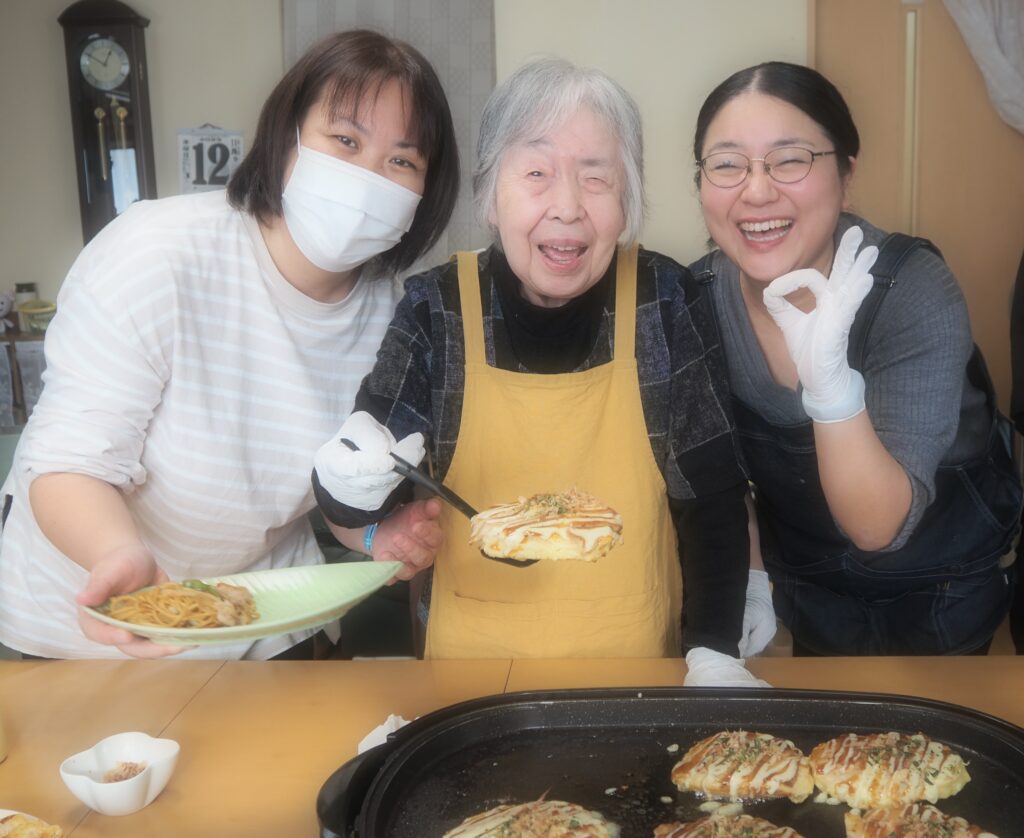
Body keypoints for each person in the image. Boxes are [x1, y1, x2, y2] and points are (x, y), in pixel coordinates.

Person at [0, 30, 460, 660]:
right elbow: (66, 462)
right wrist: (117, 555)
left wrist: (376, 533)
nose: (366, 178)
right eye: (345, 141)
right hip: (86, 621)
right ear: (286, 137)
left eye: (401, 162)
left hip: (264, 614)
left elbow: (335, 477)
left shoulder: (395, 316)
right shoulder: (156, 253)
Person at [312, 57, 769, 686]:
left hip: (636, 671)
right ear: (490, 197)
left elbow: (712, 499)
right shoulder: (436, 307)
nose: (567, 207)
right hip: (472, 684)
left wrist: (715, 649)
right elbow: (370, 479)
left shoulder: (665, 297)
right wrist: (347, 483)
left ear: (627, 199)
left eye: (596, 178)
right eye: (536, 173)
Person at [689, 61, 1022, 656]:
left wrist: (832, 391)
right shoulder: (697, 299)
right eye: (728, 164)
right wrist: (754, 578)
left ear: (846, 175)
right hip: (809, 587)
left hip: (941, 584)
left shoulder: (912, 290)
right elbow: (719, 466)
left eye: (790, 159)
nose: (756, 191)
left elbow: (876, 526)